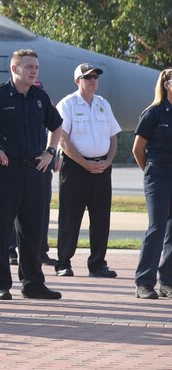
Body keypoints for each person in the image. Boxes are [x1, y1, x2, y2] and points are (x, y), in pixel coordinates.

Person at [0, 49, 64, 300]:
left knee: (33, 231)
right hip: (5, 172)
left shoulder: (40, 97)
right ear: (14, 69)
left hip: (34, 171)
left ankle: (33, 283)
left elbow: (57, 125)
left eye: (36, 68)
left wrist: (50, 152)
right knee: (0, 230)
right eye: (29, 67)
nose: (34, 71)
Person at [54, 64, 120, 278]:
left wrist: (108, 161)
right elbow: (63, 140)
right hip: (75, 168)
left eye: (95, 77)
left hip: (102, 167)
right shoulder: (68, 104)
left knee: (101, 217)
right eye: (88, 77)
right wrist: (84, 163)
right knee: (70, 216)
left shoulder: (103, 104)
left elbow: (112, 137)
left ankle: (98, 263)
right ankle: (63, 262)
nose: (93, 80)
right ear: (77, 81)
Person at [131, 68, 172, 300]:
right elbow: (138, 149)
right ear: (167, 85)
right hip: (158, 173)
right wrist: (149, 172)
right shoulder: (154, 113)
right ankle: (144, 282)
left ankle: (168, 281)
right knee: (156, 227)